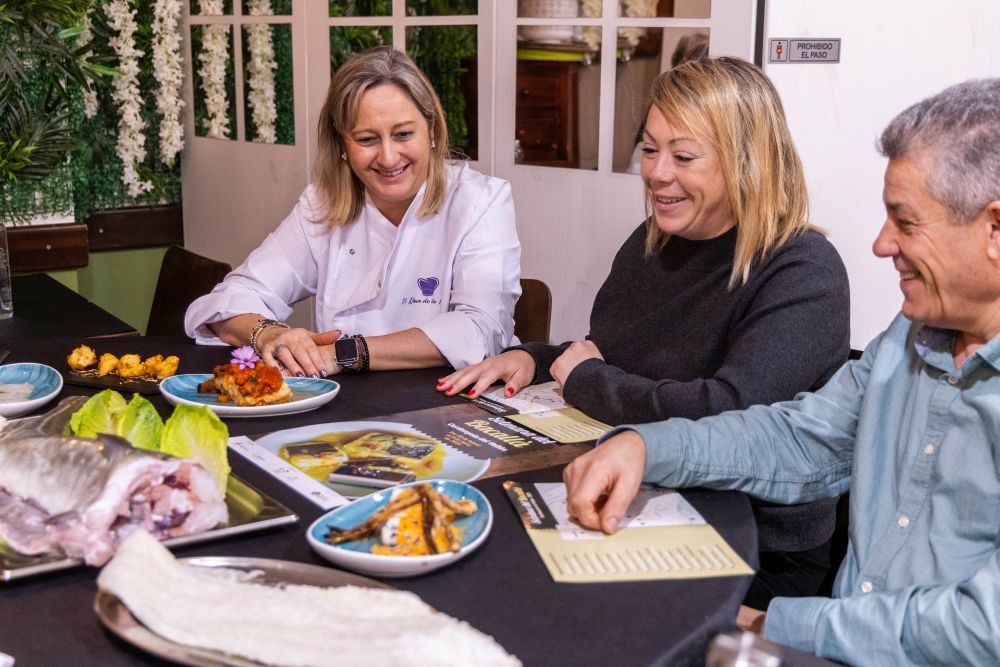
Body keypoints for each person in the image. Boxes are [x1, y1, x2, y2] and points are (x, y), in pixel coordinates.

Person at [564, 78, 1000, 665]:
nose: (880, 243)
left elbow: (981, 627)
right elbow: (801, 437)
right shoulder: (911, 334)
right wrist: (648, 445)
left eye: (906, 222)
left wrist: (777, 622)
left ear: (995, 229)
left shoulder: (806, 270)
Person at [440, 57, 850, 607]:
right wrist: (538, 360)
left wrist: (585, 380)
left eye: (683, 155)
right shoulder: (652, 240)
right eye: (650, 149)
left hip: (755, 550)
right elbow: (618, 357)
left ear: (747, 162)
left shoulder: (803, 269)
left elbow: (733, 418)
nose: (657, 173)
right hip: (647, 493)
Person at [185, 47, 521, 378]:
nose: (389, 158)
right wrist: (268, 334)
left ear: (431, 131)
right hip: (347, 406)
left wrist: (346, 353)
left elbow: (481, 328)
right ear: (342, 146)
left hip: (450, 405)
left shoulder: (481, 201)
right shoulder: (323, 203)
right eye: (366, 139)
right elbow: (227, 301)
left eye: (404, 134)